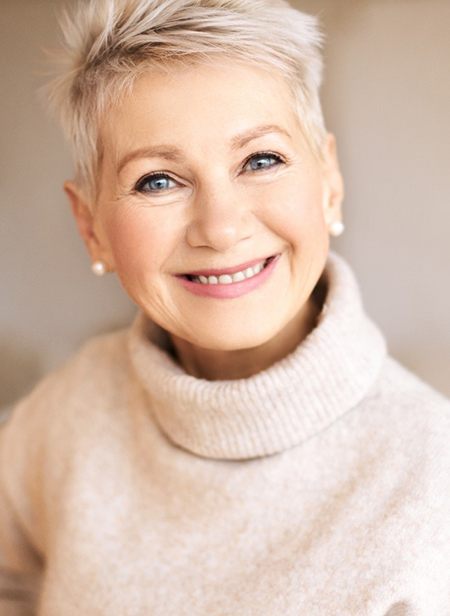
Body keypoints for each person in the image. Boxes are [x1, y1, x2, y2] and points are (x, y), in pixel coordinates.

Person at [0, 0, 449, 613]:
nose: (220, 227)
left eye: (260, 160)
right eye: (158, 180)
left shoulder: (430, 478)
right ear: (90, 226)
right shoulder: (65, 412)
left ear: (330, 185)